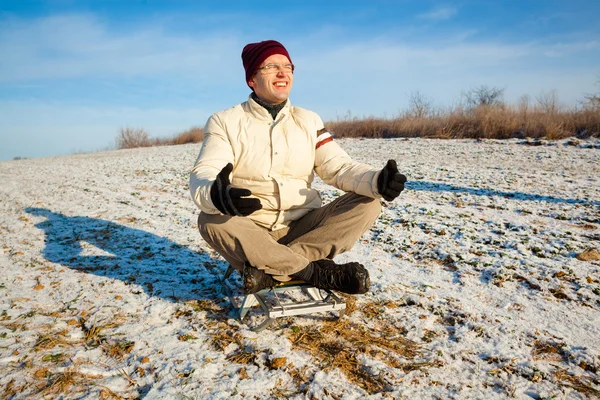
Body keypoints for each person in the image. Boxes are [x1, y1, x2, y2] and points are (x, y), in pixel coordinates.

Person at [189, 40, 406, 295]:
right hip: (253, 232)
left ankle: (271, 271)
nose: (283, 73)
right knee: (211, 220)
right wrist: (217, 194)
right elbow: (206, 171)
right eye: (271, 66)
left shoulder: (308, 120)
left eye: (288, 67)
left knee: (369, 202)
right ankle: (315, 273)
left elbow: (337, 167)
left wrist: (376, 181)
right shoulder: (224, 121)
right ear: (252, 79)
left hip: (304, 228)